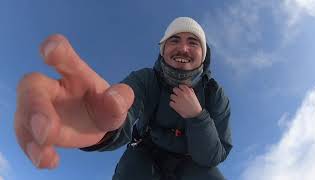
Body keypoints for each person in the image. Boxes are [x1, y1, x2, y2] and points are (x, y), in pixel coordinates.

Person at [14, 17, 232, 179]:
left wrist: (197, 117)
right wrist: (101, 128)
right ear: (163, 50)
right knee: (133, 168)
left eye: (193, 42)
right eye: (174, 40)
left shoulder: (214, 94)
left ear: (203, 54)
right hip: (146, 155)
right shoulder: (146, 79)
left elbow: (213, 156)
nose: (183, 48)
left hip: (191, 163)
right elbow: (123, 111)